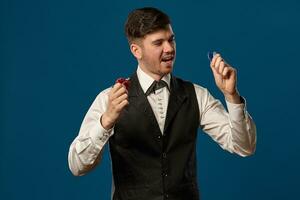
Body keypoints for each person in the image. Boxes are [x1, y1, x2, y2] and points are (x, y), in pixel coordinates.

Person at [68, 7, 256, 200]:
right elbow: (77, 165)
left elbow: (244, 146)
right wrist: (105, 121)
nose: (169, 49)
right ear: (136, 50)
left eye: (171, 39)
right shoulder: (109, 98)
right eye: (158, 43)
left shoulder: (196, 95)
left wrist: (231, 95)